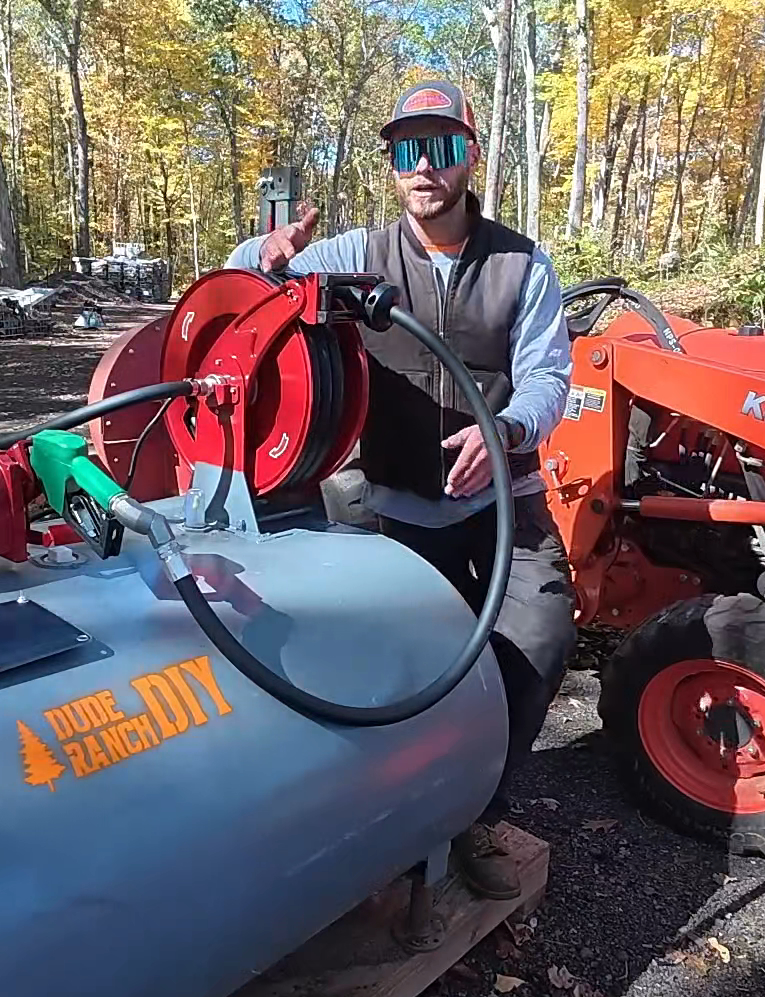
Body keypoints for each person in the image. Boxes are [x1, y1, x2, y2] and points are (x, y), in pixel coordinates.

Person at [222, 77, 577, 900]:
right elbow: (245, 287)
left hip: (501, 500)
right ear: (392, 166)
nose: (425, 167)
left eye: (442, 147)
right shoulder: (354, 256)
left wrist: (507, 436)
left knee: (541, 637)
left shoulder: (524, 264)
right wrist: (262, 255)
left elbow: (549, 381)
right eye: (408, 150)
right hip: (395, 504)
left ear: (470, 157)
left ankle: (482, 812)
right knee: (399, 660)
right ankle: (395, 817)